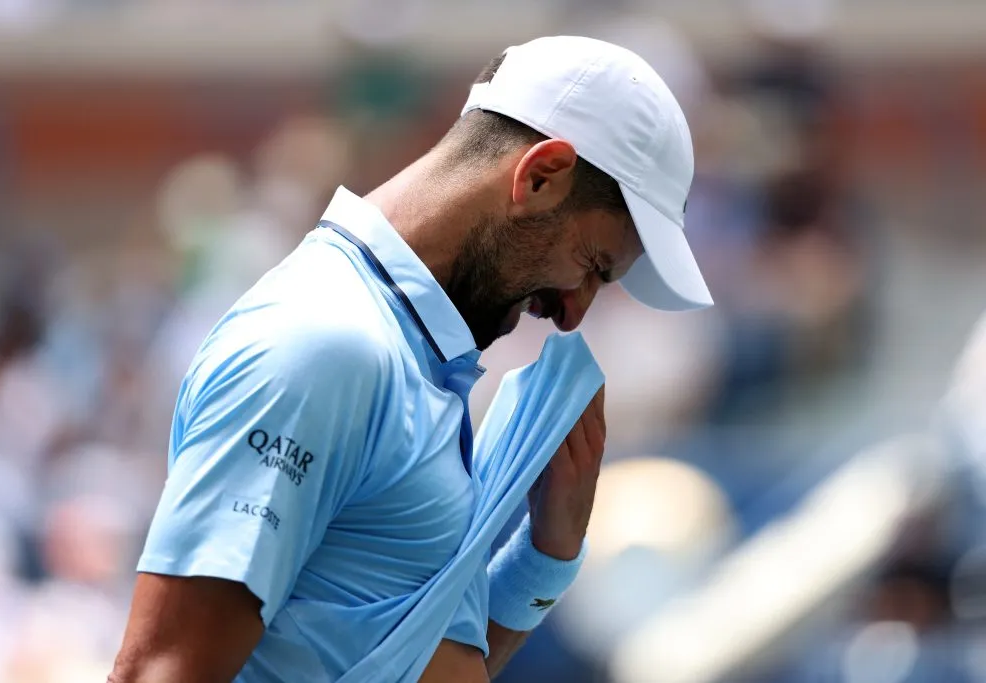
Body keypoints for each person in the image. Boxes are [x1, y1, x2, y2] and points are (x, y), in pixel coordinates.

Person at [108, 35, 712, 683]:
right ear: (540, 176)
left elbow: (409, 658)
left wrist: (547, 554)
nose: (574, 311)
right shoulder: (325, 344)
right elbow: (161, 671)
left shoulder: (403, 357)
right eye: (592, 267)